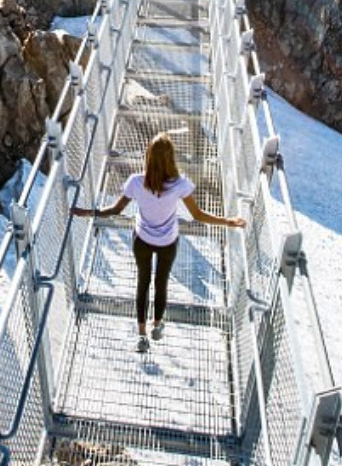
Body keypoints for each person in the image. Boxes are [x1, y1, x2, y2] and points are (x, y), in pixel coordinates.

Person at [72, 132, 246, 353]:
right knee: (161, 283)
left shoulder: (136, 182)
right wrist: (229, 221)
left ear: (149, 156)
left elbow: (115, 210)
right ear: (171, 158)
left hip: (142, 240)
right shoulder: (180, 185)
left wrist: (87, 212)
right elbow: (198, 215)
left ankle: (142, 335)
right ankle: (157, 326)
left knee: (143, 283)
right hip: (167, 242)